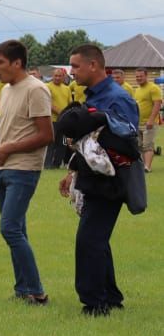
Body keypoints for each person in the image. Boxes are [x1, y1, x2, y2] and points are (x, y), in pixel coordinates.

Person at [60, 44, 141, 316]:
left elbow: (129, 138)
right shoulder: (93, 95)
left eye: (76, 66)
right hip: (92, 175)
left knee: (89, 240)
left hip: (111, 179)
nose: (72, 72)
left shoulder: (116, 98)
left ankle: (95, 304)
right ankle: (111, 295)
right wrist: (73, 171)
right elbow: (87, 142)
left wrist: (100, 119)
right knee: (97, 239)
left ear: (94, 65)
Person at [0, 39, 54, 305]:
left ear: (17, 63)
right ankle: (23, 289)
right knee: (18, 230)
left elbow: (47, 135)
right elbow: (2, 135)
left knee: (10, 229)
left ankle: (37, 291)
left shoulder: (36, 89)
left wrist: (11, 148)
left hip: (24, 170)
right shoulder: (6, 89)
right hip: (2, 169)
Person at [45, 67, 85, 168]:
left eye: (60, 76)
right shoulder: (47, 87)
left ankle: (56, 165)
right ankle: (47, 165)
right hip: (52, 120)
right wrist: (63, 113)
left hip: (64, 122)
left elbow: (70, 104)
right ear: (52, 76)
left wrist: (69, 114)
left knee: (62, 144)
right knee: (51, 143)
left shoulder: (67, 89)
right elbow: (48, 103)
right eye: (55, 76)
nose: (57, 78)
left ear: (64, 77)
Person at [127, 67, 162, 172]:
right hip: (138, 122)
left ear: (146, 76)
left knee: (147, 145)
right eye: (137, 76)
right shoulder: (137, 90)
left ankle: (147, 167)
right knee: (140, 145)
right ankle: (142, 166)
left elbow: (157, 104)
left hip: (149, 122)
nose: (138, 78)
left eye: (141, 76)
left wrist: (151, 120)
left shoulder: (153, 88)